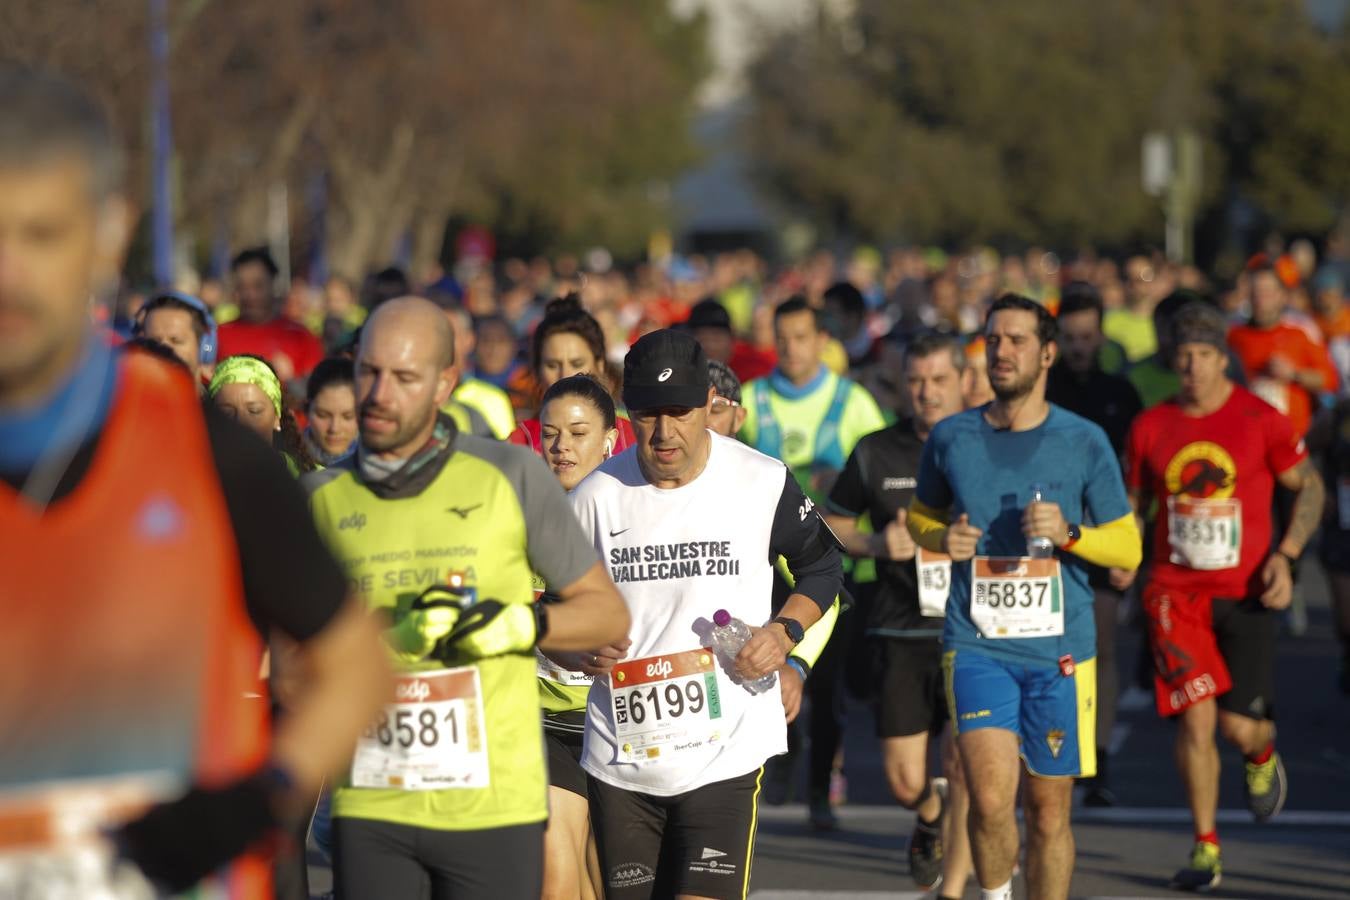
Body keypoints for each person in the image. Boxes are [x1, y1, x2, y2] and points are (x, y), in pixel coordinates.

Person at [0, 65, 389, 897]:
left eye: (41, 235)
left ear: (109, 235)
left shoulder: (207, 456)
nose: (10, 275)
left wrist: (262, 796)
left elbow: (357, 663)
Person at [304, 296, 630, 900]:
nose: (380, 393)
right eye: (368, 373)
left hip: (493, 801)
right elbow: (284, 664)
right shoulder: (319, 498)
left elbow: (605, 612)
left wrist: (515, 625)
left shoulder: (510, 474)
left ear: (444, 383)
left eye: (403, 377)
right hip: (376, 797)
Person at [570, 329, 843, 900]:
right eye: (647, 415)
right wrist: (576, 647)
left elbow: (823, 567)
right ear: (628, 411)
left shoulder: (761, 480)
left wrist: (783, 631)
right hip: (623, 754)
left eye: (680, 413)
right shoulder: (594, 496)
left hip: (726, 745)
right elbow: (550, 613)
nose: (664, 433)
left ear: (706, 407)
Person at [907, 294, 1142, 900]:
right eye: (993, 340)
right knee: (987, 800)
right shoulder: (952, 436)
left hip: (1061, 650)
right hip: (976, 641)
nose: (1002, 351)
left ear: (1047, 354)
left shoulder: (1084, 440)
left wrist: (1070, 533)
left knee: (1047, 811)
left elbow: (1128, 548)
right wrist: (943, 536)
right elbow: (919, 517)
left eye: (1016, 340)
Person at [1124, 301, 1324, 891]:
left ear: (1223, 361)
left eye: (1204, 355)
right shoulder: (1150, 426)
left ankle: (1262, 752)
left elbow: (1307, 486)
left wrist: (1285, 558)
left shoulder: (1260, 419)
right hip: (1174, 594)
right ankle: (1206, 844)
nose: (1191, 367)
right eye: (1182, 356)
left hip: (1246, 592)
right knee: (1195, 723)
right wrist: (1122, 560)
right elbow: (1135, 508)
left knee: (1238, 730)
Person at [822, 332, 973, 897]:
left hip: (973, 630)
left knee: (964, 770)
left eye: (939, 380)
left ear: (963, 381)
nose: (927, 392)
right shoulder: (875, 450)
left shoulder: (985, 446)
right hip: (899, 628)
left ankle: (954, 889)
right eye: (916, 381)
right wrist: (876, 544)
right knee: (907, 779)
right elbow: (831, 525)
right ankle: (928, 815)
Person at [738, 294, 885, 824]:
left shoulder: (853, 403)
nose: (791, 349)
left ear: (823, 340)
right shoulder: (752, 399)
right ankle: (782, 755)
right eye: (782, 339)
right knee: (765, 672)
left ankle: (821, 791)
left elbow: (878, 477)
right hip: (763, 574)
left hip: (831, 571)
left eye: (802, 338)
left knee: (827, 688)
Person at [1046, 281, 1145, 806]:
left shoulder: (1121, 395)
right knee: (1050, 648)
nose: (1080, 346)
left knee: (1101, 646)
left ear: (1102, 335)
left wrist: (1131, 542)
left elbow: (1134, 478)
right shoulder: (1045, 391)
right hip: (1043, 542)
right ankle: (1051, 748)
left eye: (1088, 336)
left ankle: (1096, 758)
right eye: (1071, 336)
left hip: (1100, 536)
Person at [534, 374, 620, 900]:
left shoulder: (641, 512)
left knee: (608, 884)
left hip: (624, 725)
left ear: (609, 440)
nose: (561, 445)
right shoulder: (515, 514)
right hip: (544, 721)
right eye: (549, 433)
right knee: (556, 881)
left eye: (578, 433)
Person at [509, 295, 637, 452]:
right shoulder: (519, 444)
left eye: (577, 363)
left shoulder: (635, 439)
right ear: (537, 370)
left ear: (600, 365)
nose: (565, 374)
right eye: (552, 365)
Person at [1227, 259, 1339, 438]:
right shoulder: (1234, 333)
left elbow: (1330, 380)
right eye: (1255, 292)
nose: (1260, 299)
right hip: (1250, 435)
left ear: (1281, 295)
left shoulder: (1300, 329)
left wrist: (1294, 375)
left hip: (1295, 438)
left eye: (1267, 292)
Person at [216, 247, 325, 385]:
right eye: (242, 287)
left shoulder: (302, 337)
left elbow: (317, 389)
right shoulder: (217, 335)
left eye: (258, 286)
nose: (250, 295)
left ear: (273, 284)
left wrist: (292, 381)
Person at [208, 354, 316, 475]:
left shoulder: (314, 483)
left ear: (276, 417)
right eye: (226, 413)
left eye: (254, 411)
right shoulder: (193, 483)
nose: (241, 422)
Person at [443, 302, 517, 439]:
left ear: (469, 340)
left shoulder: (493, 400)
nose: (442, 341)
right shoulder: (418, 394)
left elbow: (503, 454)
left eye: (450, 334)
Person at [134, 289, 217, 388]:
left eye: (176, 340)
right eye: (154, 342)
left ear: (203, 347)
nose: (165, 348)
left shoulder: (221, 401)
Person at [686, 297, 776, 384]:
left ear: (731, 341)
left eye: (716, 339)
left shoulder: (755, 372)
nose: (710, 347)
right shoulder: (676, 376)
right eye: (702, 339)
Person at [305, 357, 359, 466]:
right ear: (307, 410)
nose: (334, 428)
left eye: (348, 416)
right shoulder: (285, 464)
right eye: (323, 415)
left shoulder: (381, 467)